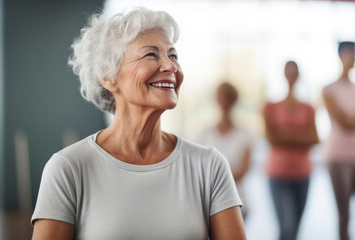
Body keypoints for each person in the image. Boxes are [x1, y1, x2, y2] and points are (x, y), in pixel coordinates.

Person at [31, 8, 246, 240]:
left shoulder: (210, 166)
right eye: (151, 55)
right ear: (108, 76)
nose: (171, 66)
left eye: (173, 55)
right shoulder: (68, 168)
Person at [263, 61, 319, 240]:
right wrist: (300, 135)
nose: (292, 74)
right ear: (284, 74)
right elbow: (272, 138)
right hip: (278, 174)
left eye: (295, 71)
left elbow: (314, 139)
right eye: (288, 70)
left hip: (303, 174)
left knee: (295, 229)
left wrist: (284, 134)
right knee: (287, 226)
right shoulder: (270, 107)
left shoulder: (308, 108)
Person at [196, 82, 254, 220]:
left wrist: (212, 177)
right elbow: (198, 171)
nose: (224, 100)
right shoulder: (204, 134)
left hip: (238, 202)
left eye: (228, 96)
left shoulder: (245, 135)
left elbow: (242, 172)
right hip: (208, 205)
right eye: (221, 96)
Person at [322, 41, 355, 240]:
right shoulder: (329, 89)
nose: (351, 57)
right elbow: (343, 121)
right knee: (344, 211)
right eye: (347, 53)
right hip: (338, 156)